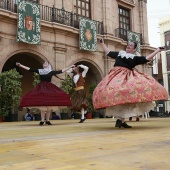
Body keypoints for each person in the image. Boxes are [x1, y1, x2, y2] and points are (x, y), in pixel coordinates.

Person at [93, 39, 168, 128]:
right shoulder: (120, 54)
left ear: (134, 49)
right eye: (128, 45)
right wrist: (102, 44)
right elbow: (109, 53)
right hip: (115, 75)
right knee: (113, 93)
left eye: (131, 45)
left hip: (126, 77)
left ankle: (120, 120)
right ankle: (120, 120)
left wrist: (158, 50)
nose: (128, 46)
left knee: (126, 97)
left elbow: (147, 58)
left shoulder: (135, 58)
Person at [16, 61, 74, 125]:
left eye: (46, 63)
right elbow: (30, 69)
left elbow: (61, 71)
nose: (45, 64)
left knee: (48, 105)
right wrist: (21, 65)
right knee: (43, 105)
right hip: (42, 88)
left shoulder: (51, 71)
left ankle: (47, 120)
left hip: (49, 89)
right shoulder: (40, 71)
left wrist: (70, 67)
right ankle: (42, 120)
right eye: (44, 63)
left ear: (48, 65)